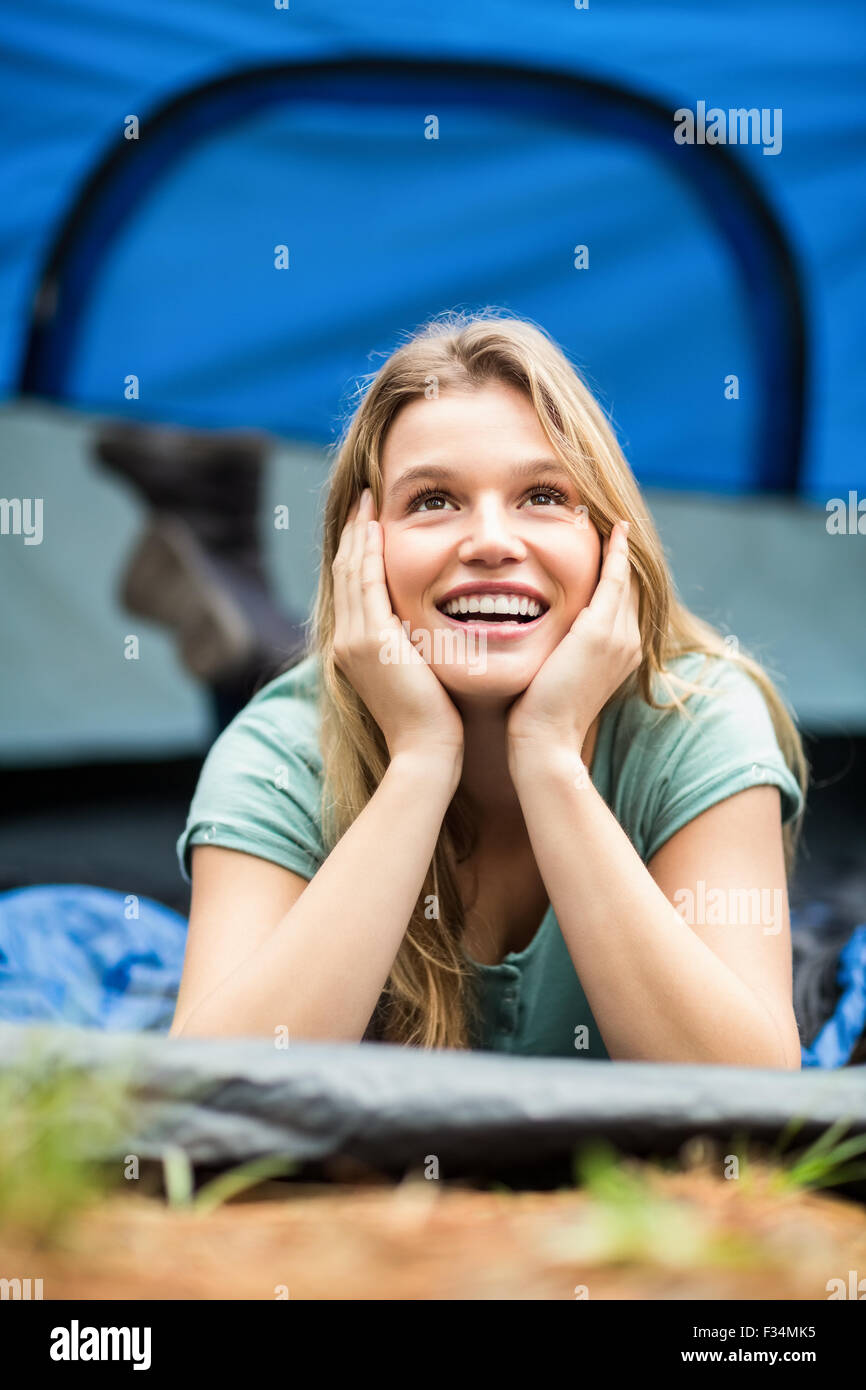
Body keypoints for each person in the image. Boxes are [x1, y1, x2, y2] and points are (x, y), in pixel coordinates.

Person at [169, 309, 809, 1066]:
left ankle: (213, 565)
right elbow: (206, 1093)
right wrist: (419, 760)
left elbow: (753, 1094)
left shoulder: (696, 718)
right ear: (358, 552)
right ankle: (211, 569)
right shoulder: (278, 750)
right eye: (433, 501)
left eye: (543, 495)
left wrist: (548, 757)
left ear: (610, 540)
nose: (492, 543)